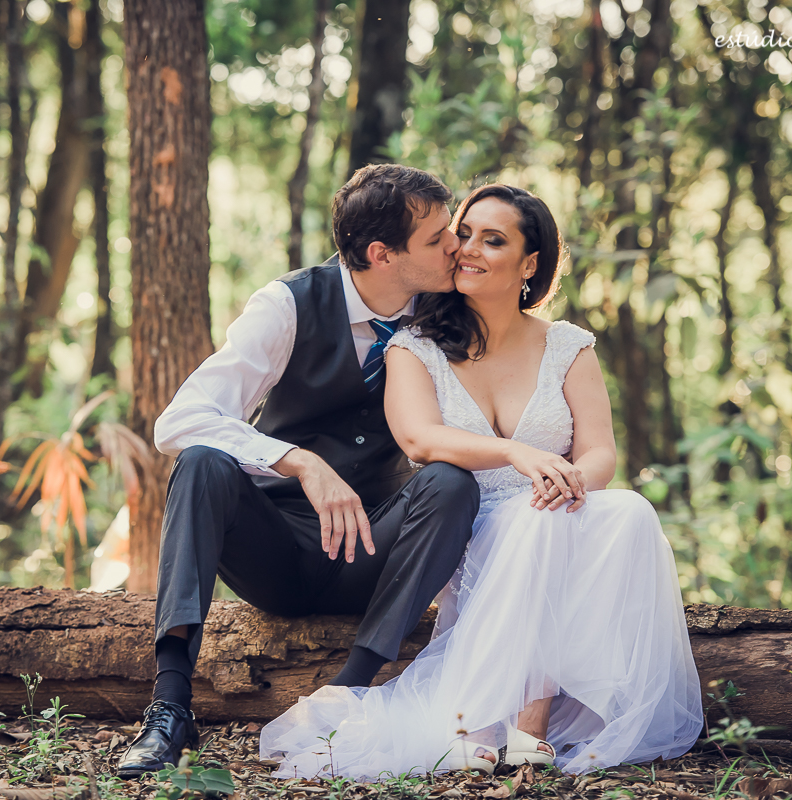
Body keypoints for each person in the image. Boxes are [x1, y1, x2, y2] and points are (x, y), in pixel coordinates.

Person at [260, 184, 704, 777]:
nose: (465, 249)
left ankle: (532, 725)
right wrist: (516, 454)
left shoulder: (566, 345)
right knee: (535, 521)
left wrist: (570, 481)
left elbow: (599, 452)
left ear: (530, 265)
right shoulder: (414, 346)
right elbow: (420, 440)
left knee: (625, 510)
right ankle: (504, 724)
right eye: (463, 234)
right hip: (467, 523)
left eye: (492, 240)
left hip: (559, 510)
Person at [115, 165, 482, 777]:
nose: (457, 246)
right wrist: (297, 460)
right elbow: (177, 421)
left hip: (375, 552)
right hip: (277, 552)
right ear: (381, 254)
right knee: (203, 462)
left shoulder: (447, 313)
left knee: (451, 482)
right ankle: (170, 707)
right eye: (439, 237)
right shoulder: (288, 304)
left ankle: (349, 693)